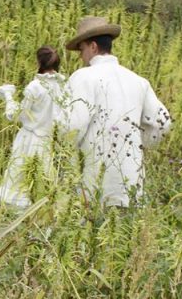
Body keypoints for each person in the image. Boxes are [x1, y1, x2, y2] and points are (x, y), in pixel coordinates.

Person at [61, 16, 172, 207]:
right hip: (131, 178)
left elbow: (72, 127)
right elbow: (163, 122)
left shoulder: (83, 77)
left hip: (92, 179)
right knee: (125, 233)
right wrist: (135, 145)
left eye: (82, 49)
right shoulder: (138, 80)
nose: (81, 56)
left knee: (90, 232)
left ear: (93, 46)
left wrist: (65, 164)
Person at [0, 46, 66, 209]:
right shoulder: (62, 86)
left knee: (17, 185)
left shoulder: (35, 87)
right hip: (48, 143)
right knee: (43, 186)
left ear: (39, 62)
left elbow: (16, 115)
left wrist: (7, 95)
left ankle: (15, 223)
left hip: (29, 141)